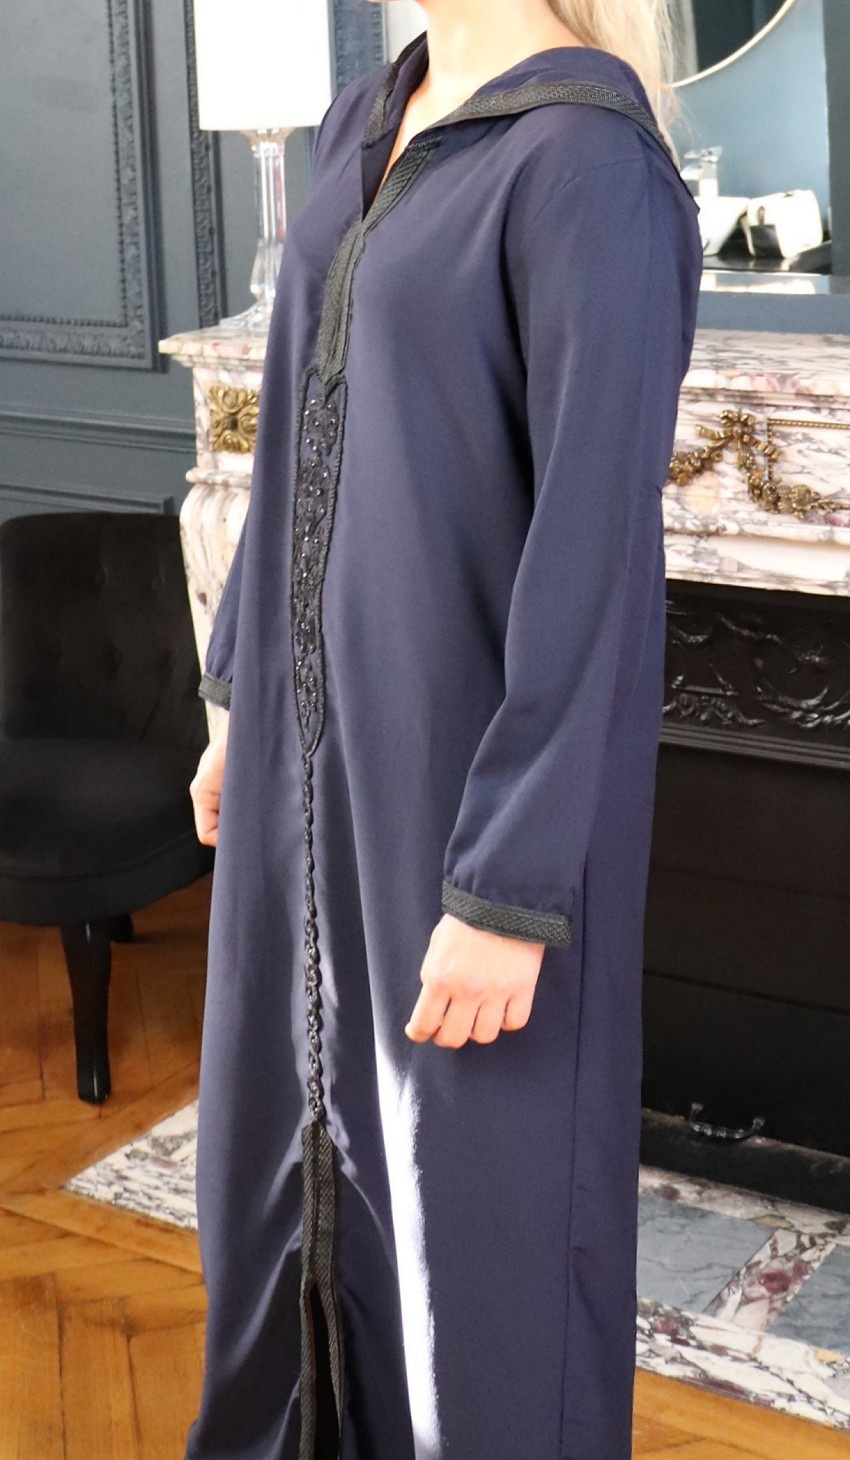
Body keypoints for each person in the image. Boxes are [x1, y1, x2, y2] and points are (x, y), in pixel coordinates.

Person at [187, 1, 702, 1456]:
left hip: (463, 788)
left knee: (479, 1240)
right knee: (284, 1170)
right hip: (304, 760)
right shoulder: (366, 117)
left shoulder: (588, 164)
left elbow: (594, 555)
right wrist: (237, 701)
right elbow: (295, 432)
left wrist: (506, 889)